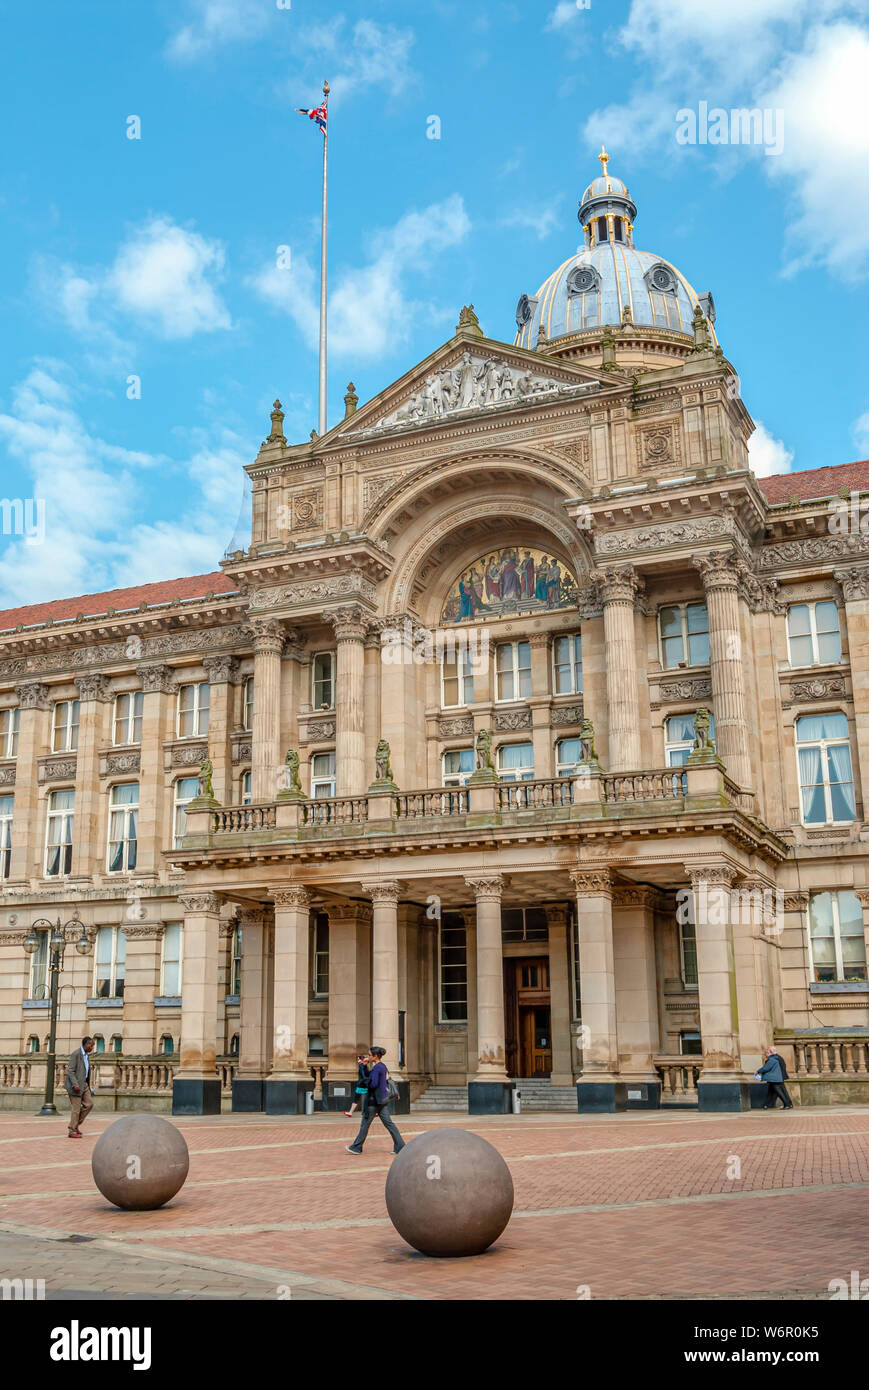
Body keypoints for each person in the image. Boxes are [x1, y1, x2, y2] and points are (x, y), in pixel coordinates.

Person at [346, 1046, 405, 1155]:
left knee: (365, 1124)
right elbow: (370, 1077)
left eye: (370, 1055)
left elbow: (372, 1084)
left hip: (373, 1101)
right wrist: (364, 1066)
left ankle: (356, 1147)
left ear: (375, 1056)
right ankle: (400, 1146)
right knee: (389, 1124)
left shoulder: (378, 1067)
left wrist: (361, 1068)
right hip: (381, 1101)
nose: (368, 1057)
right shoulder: (380, 1066)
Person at [65, 1036, 96, 1138]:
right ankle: (72, 1131)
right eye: (91, 1045)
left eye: (93, 1046)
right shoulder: (76, 1054)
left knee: (89, 1104)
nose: (92, 1047)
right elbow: (70, 1070)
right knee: (76, 1109)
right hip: (76, 1086)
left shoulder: (86, 1055)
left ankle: (74, 1125)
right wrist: (75, 1084)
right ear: (85, 1044)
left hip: (84, 1084)